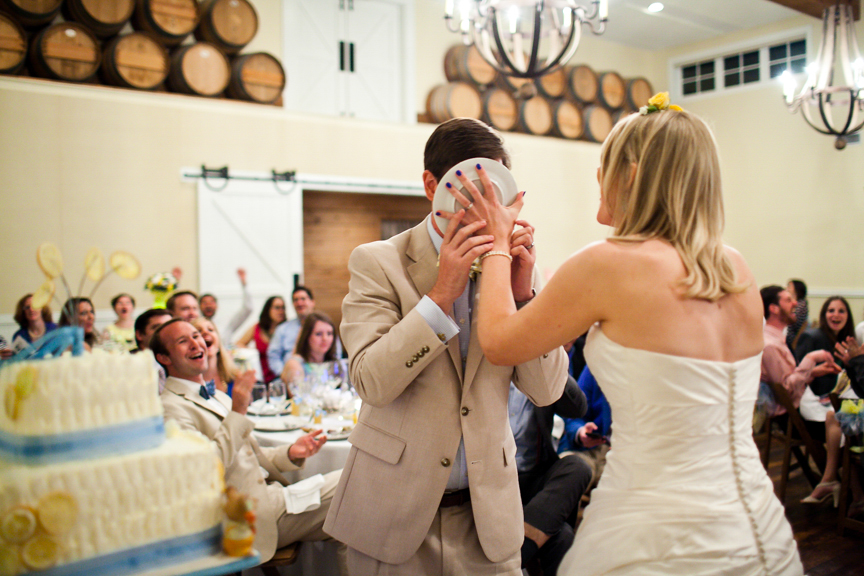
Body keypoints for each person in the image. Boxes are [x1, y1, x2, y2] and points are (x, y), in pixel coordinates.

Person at [469, 101, 803, 574]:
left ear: (629, 175)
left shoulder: (607, 263)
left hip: (654, 527)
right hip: (758, 525)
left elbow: (498, 342)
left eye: (603, 165)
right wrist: (525, 294)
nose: (597, 176)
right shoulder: (735, 268)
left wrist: (498, 243)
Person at [323, 117, 569, 576]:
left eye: (497, 191)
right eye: (473, 190)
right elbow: (371, 383)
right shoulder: (377, 262)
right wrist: (440, 296)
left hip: (488, 521)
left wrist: (523, 299)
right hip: (391, 514)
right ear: (432, 185)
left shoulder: (515, 266)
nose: (488, 207)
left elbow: (547, 390)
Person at [154, 319, 347, 572]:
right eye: (183, 341)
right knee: (353, 484)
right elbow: (203, 469)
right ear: (164, 358)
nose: (196, 343)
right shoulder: (169, 407)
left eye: (196, 336)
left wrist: (290, 452)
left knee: (357, 524)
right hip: (246, 515)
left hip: (273, 496)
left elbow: (248, 454)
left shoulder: (216, 396)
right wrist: (238, 411)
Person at [509, 375, 590, 576]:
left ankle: (513, 557)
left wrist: (552, 362)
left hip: (533, 476)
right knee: (562, 537)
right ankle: (516, 555)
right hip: (493, 481)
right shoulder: (488, 372)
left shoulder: (541, 372)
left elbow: (578, 409)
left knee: (578, 467)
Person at [794, 296, 856, 505]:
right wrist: (816, 371)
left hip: (832, 402)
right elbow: (799, 374)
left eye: (841, 311)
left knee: (843, 421)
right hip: (813, 406)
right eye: (831, 310)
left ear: (848, 316)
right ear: (824, 314)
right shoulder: (812, 336)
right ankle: (852, 492)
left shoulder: (846, 340)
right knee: (845, 427)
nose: (836, 315)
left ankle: (843, 487)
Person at [760, 285, 839, 413]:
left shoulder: (776, 339)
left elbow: (787, 379)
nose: (795, 303)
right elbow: (786, 391)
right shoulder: (770, 345)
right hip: (787, 416)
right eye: (788, 300)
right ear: (774, 308)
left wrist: (811, 372)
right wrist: (811, 358)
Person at [558, 367, 612, 489]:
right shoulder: (596, 366)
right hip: (589, 450)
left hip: (628, 458)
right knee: (566, 471)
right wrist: (581, 432)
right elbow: (574, 414)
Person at [280, 311, 341, 388]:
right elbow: (298, 394)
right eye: (318, 334)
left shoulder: (334, 363)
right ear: (307, 336)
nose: (325, 338)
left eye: (329, 333)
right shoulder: (295, 364)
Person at [267, 286, 317, 377]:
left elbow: (334, 354)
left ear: (312, 302)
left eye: (303, 299)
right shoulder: (282, 329)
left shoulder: (324, 327)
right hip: (288, 378)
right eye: (295, 300)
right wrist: (284, 374)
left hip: (318, 376)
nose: (299, 303)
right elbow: (273, 356)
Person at [234, 296, 286, 383]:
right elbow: (238, 344)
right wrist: (253, 352)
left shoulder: (287, 330)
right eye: (277, 308)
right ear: (268, 309)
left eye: (283, 308)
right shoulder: (257, 328)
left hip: (280, 377)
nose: (281, 311)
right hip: (259, 378)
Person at [200, 268, 253, 342]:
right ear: (199, 306)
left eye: (211, 302)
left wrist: (244, 285)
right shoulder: (195, 324)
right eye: (205, 303)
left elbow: (248, 309)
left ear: (217, 306)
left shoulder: (227, 323)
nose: (208, 305)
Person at [191, 317, 239, 396]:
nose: (205, 332)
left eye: (210, 329)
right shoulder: (189, 385)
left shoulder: (235, 377)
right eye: (198, 331)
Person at [786, 279, 808, 350]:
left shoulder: (801, 304)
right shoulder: (797, 303)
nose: (787, 288)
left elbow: (792, 322)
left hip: (791, 337)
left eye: (789, 286)